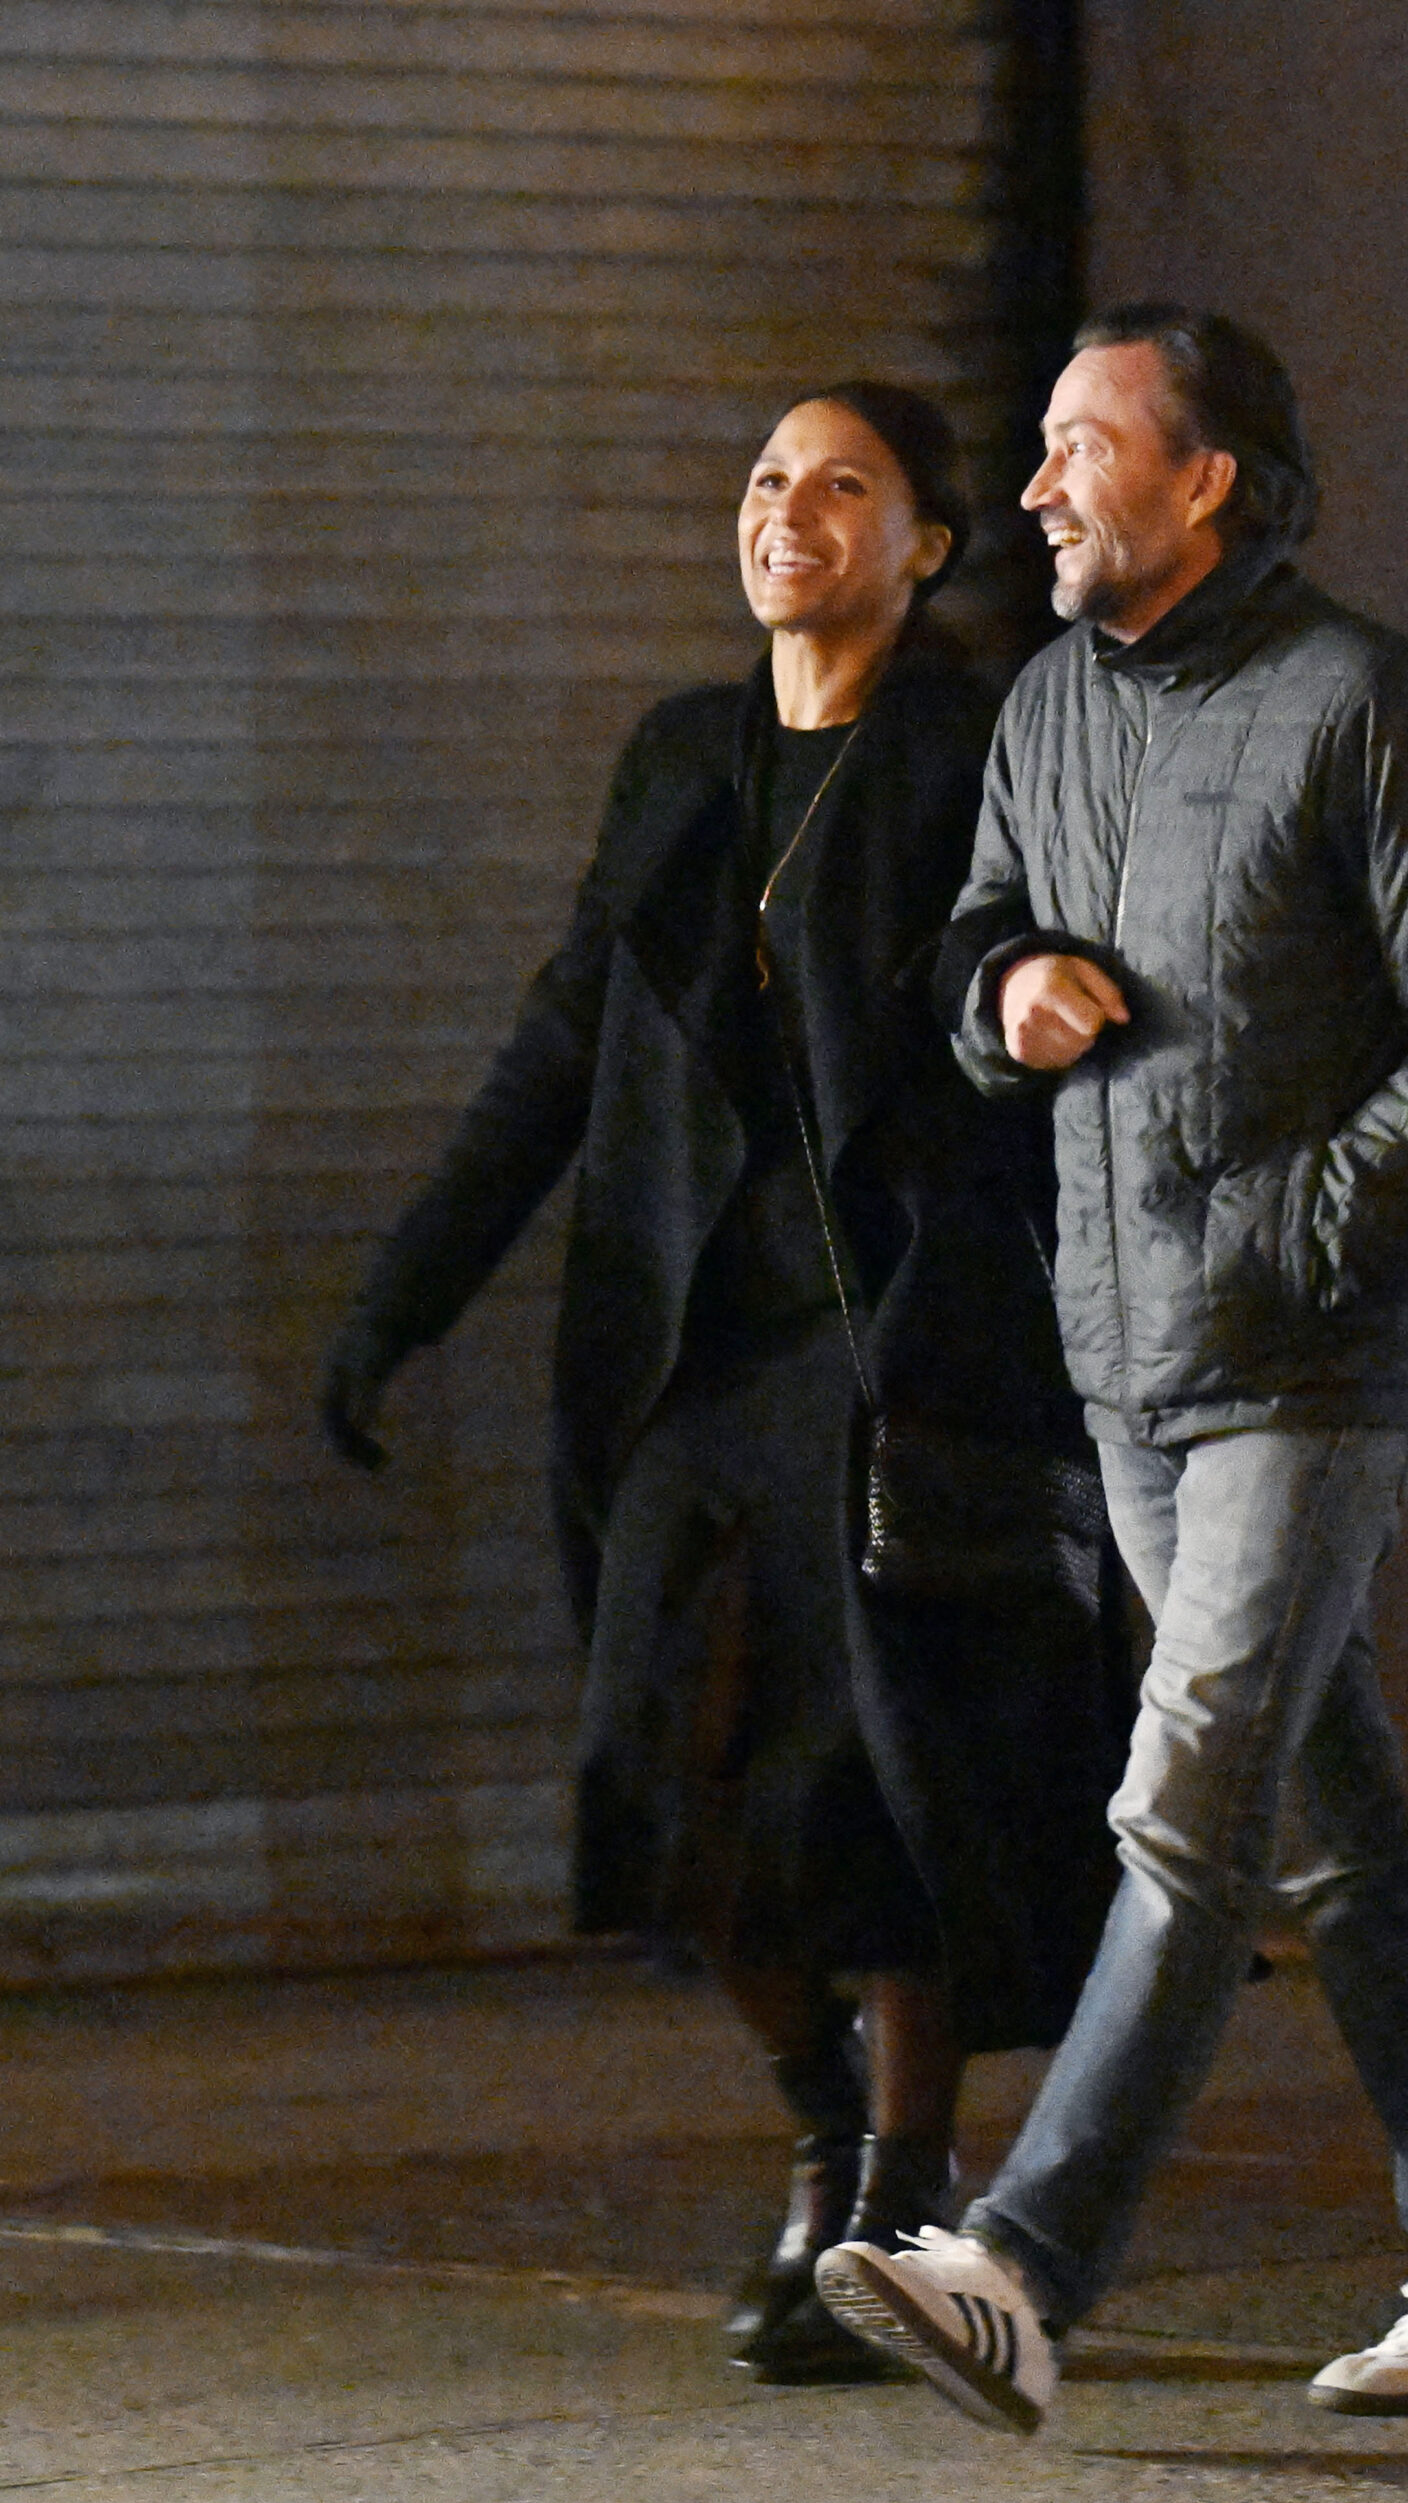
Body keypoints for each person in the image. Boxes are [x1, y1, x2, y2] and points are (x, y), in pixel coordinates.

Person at [816, 307, 1408, 2430]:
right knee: (1327, 1826)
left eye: (1082, 445)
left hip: (1317, 1355)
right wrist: (1012, 986)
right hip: (1125, 1352)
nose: (1043, 485)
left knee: (1191, 1778)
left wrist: (1298, 1233)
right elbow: (974, 943)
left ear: (1206, 478)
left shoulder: (1367, 699)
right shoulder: (1051, 703)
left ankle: (1024, 2260)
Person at [319, 383, 1127, 2385]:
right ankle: (828, 2121)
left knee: (888, 1776)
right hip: (693, 1357)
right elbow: (558, 1049)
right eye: (768, 479)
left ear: (927, 543)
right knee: (665, 1781)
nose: (791, 509)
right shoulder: (684, 757)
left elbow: (1028, 991)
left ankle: (898, 2205)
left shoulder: (972, 746)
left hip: (904, 1346)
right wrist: (399, 1302)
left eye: (843, 483)